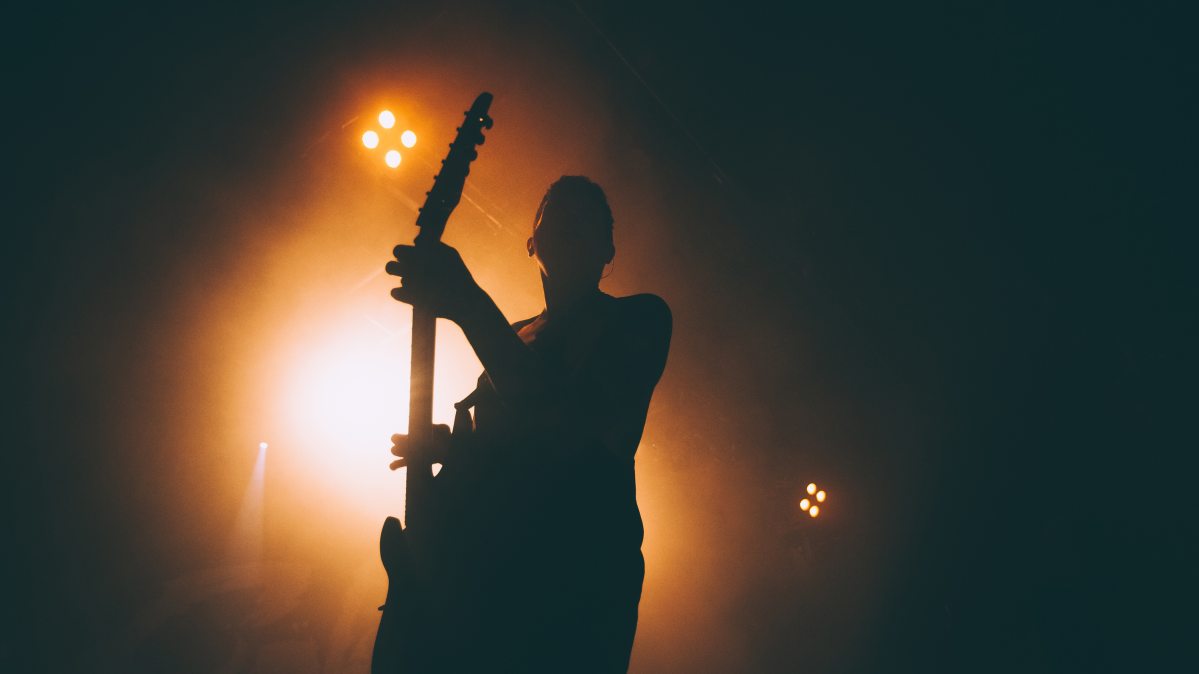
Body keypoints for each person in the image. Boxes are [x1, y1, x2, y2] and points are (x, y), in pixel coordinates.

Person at [383, 176, 671, 672]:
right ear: (532, 242)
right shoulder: (513, 336)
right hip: (485, 588)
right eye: (555, 212)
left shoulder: (639, 318)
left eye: (587, 216)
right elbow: (509, 456)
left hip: (574, 590)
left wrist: (470, 304)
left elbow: (567, 430)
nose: (570, 220)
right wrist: (452, 452)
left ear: (609, 249)